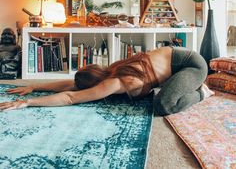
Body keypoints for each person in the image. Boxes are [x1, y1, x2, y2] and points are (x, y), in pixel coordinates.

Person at [0, 46, 214, 115]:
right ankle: (187, 86)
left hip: (192, 65)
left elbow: (70, 98)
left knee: (163, 105)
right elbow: (70, 86)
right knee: (155, 97)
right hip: (175, 65)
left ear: (97, 85)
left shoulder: (114, 82)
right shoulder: (109, 71)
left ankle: (202, 92)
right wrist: (35, 86)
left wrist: (27, 103)